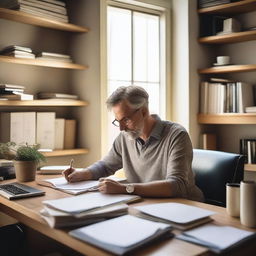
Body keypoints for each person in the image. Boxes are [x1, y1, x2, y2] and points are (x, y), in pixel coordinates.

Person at [63, 86, 204, 201]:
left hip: (183, 207)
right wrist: (82, 173)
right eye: (117, 121)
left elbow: (177, 186)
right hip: (145, 204)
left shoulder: (176, 135)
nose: (121, 128)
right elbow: (106, 166)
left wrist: (125, 188)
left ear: (144, 111)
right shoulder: (125, 136)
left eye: (126, 120)